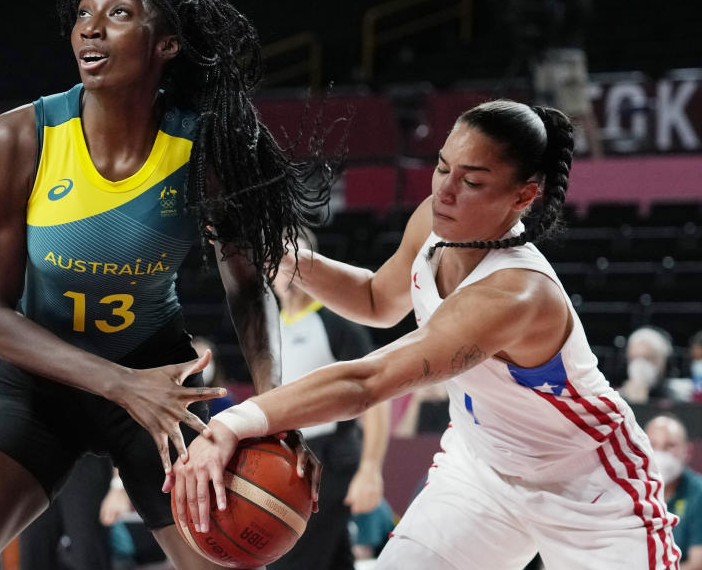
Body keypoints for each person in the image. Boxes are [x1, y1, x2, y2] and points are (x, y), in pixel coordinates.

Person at [0, 0, 332, 570]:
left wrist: (277, 415)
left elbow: (247, 287)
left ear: (167, 44)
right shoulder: (20, 138)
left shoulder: (204, 147)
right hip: (42, 384)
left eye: (118, 14)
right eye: (83, 15)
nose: (90, 28)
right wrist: (119, 386)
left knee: (225, 564)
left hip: (160, 382)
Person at [172, 99, 680, 569]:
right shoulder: (435, 224)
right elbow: (375, 298)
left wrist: (232, 424)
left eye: (473, 181)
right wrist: (281, 252)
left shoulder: (517, 295)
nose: (445, 189)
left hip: (589, 490)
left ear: (524, 195)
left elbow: (368, 382)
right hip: (480, 472)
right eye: (441, 166)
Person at [269, 228, 389, 570]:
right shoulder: (270, 326)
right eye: (276, 262)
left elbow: (378, 395)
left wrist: (370, 470)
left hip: (331, 459)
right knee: (334, 559)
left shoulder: (336, 322)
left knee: (289, 562)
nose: (285, 270)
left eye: (294, 261)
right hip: (291, 460)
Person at [484, 0, 602, 158]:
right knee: (545, 111)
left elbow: (585, 12)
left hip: (567, 52)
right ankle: (549, 160)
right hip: (541, 51)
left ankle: (600, 164)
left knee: (579, 108)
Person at [646, 414, 702, 569]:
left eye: (669, 446)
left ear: (687, 450)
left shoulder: (698, 492)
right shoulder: (632, 491)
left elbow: (698, 563)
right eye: (652, 444)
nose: (660, 453)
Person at [621, 326, 675, 404]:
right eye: (634, 359)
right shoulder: (615, 398)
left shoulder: (676, 398)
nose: (640, 366)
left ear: (664, 361)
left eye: (648, 358)